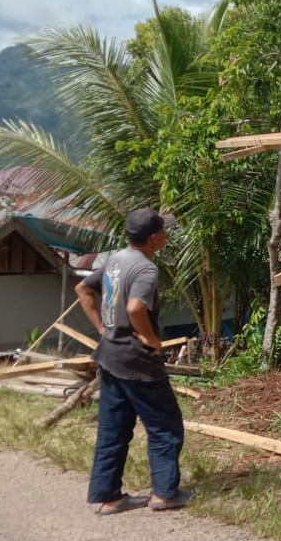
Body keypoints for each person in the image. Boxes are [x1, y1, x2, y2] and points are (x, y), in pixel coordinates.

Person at [75, 207, 192, 515]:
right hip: (137, 361)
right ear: (154, 238)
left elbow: (83, 288)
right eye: (163, 231)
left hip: (110, 355)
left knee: (113, 429)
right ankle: (165, 495)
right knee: (166, 427)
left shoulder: (115, 258)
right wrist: (153, 340)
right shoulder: (145, 269)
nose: (166, 235)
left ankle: (107, 496)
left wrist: (102, 329)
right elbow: (136, 307)